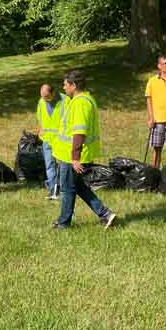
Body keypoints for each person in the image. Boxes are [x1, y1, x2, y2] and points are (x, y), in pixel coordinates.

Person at [52, 70, 116, 229]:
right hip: (76, 154)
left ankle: (63, 223)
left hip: (72, 156)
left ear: (74, 85)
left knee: (67, 189)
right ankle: (105, 214)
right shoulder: (87, 99)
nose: (63, 87)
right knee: (77, 186)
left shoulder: (80, 103)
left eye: (66, 84)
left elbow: (79, 132)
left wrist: (75, 157)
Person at [36, 84, 69, 200]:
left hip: (61, 140)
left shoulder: (65, 100)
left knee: (62, 166)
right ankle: (52, 191)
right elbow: (40, 117)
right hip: (47, 139)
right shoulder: (41, 102)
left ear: (53, 93)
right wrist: (40, 129)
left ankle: (64, 190)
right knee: (49, 165)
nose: (44, 99)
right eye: (43, 97)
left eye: (47, 97)